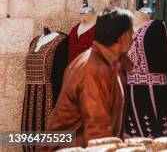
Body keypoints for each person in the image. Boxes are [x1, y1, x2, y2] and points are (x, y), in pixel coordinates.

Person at [46, 9, 134, 148]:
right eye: (132, 33)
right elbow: (97, 133)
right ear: (123, 37)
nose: (133, 37)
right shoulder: (93, 71)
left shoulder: (107, 63)